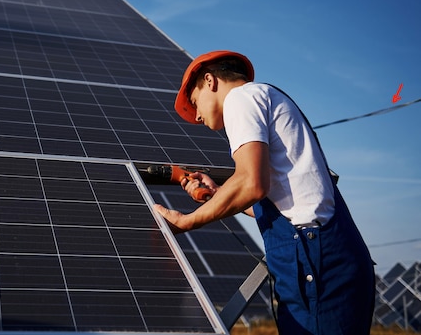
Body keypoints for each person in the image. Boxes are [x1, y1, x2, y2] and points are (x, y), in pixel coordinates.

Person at [153, 50, 375, 335]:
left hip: (316, 261)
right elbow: (275, 198)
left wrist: (187, 221)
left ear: (209, 80)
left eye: (195, 102)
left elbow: (252, 184)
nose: (196, 115)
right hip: (325, 258)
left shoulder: (241, 98)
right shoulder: (265, 98)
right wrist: (218, 193)